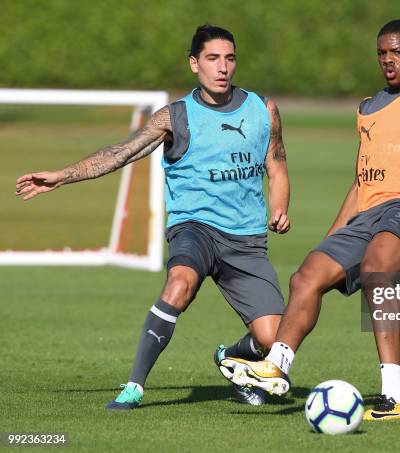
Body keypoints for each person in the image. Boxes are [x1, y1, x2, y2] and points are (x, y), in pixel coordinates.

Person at [220, 19, 400, 421]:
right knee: (307, 275)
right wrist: (331, 238)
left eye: (396, 52)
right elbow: (362, 183)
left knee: (378, 268)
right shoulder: (368, 107)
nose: (388, 60)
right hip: (370, 215)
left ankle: (394, 397)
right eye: (382, 53)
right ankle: (278, 365)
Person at [14, 25, 290, 409]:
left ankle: (234, 356)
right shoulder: (175, 117)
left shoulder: (263, 109)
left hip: (246, 239)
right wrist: (63, 175)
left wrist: (279, 207)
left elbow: (276, 164)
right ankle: (134, 386)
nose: (222, 67)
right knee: (179, 284)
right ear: (195, 64)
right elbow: (120, 153)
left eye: (229, 58)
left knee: (274, 337)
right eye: (212, 59)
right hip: (195, 228)